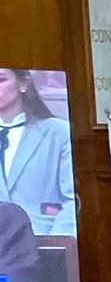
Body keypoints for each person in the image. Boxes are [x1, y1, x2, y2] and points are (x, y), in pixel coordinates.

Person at [0, 69, 75, 236]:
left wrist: (56, 242)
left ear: (23, 83)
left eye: (1, 80)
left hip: (42, 239)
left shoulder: (58, 133)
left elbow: (72, 199)